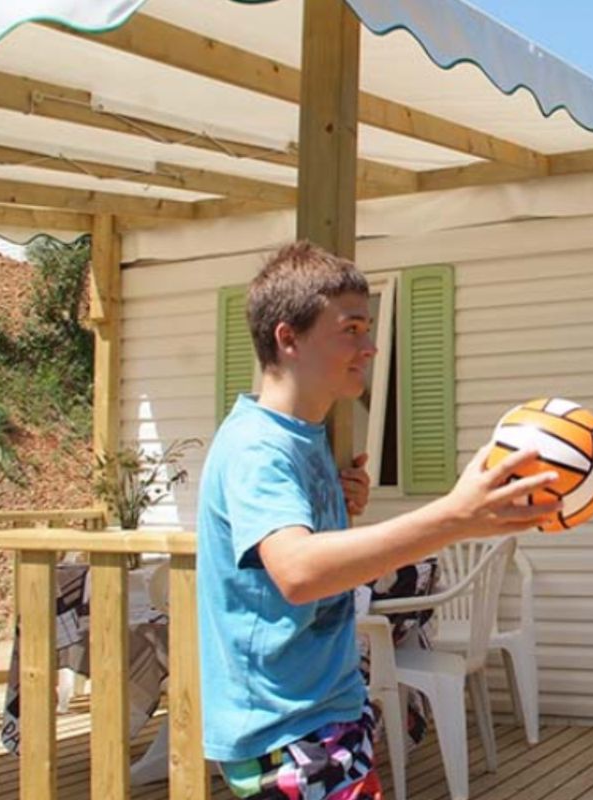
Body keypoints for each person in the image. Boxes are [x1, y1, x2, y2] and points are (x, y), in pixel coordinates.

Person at [196, 241, 561, 799]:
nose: (369, 347)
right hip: (285, 730)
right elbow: (297, 572)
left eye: (368, 329)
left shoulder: (306, 438)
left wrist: (339, 504)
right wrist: (455, 517)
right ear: (288, 338)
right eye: (351, 330)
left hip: (327, 712)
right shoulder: (257, 447)